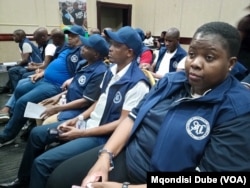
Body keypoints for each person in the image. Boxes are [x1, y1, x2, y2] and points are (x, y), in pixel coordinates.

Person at [45, 21, 250, 188]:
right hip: (128, 155)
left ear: (230, 64)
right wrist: (104, 158)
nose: (195, 63)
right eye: (192, 54)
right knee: (59, 178)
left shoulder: (237, 108)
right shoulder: (171, 82)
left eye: (209, 57)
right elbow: (132, 118)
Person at [0, 26, 150, 188]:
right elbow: (99, 101)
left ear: (129, 52)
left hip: (101, 136)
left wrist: (82, 132)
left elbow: (123, 123)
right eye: (111, 43)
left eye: (116, 45)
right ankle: (23, 181)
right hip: (86, 123)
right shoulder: (111, 70)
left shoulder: (138, 84)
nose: (111, 48)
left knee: (42, 163)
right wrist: (78, 118)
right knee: (36, 134)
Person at [0, 25, 85, 147]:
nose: (70, 38)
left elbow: (81, 72)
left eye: (73, 36)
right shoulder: (66, 48)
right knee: (20, 89)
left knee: (23, 102)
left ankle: (6, 136)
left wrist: (71, 80)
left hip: (56, 85)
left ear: (81, 38)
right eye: (69, 36)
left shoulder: (82, 51)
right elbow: (52, 64)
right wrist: (43, 72)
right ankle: (17, 121)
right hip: (45, 79)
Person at [36, 34, 109, 125]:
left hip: (79, 109)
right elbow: (75, 86)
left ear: (96, 54)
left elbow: (85, 102)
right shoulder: (83, 64)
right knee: (39, 108)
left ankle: (48, 135)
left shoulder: (100, 72)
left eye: (87, 47)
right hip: (68, 100)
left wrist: (57, 109)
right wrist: (58, 96)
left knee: (47, 122)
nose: (82, 48)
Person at [0, 28, 66, 124]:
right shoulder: (46, 46)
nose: (35, 42)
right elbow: (46, 64)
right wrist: (37, 66)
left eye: (37, 39)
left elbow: (46, 65)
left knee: (22, 75)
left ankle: (9, 109)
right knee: (21, 82)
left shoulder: (50, 46)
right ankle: (9, 108)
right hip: (45, 73)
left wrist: (37, 69)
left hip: (52, 81)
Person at [1, 29, 43, 95]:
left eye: (14, 36)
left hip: (35, 65)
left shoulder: (25, 44)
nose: (13, 38)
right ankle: (11, 88)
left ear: (19, 36)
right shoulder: (22, 43)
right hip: (29, 64)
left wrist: (17, 65)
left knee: (13, 70)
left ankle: (16, 91)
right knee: (13, 70)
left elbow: (25, 60)